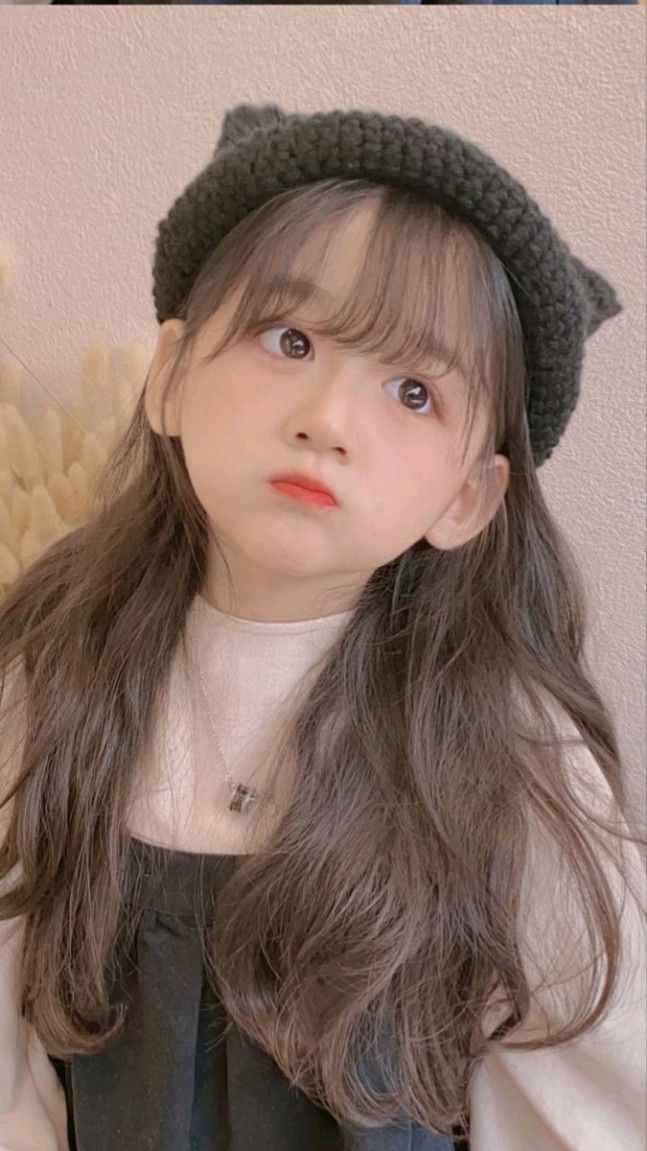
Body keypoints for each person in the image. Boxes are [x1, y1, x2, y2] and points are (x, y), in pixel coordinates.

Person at [0, 101, 645, 1151]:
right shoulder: (57, 666)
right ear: (171, 377)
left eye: (413, 391)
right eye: (289, 339)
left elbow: (594, 1088)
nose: (327, 419)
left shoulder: (501, 746)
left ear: (468, 499)